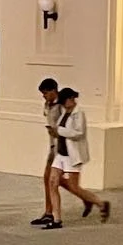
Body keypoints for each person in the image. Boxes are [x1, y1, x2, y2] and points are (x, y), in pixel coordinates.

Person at [44, 87, 109, 227]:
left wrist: (59, 130)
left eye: (67, 100)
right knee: (52, 182)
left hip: (72, 155)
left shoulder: (79, 114)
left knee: (74, 187)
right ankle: (56, 219)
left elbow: (78, 133)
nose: (66, 103)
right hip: (61, 154)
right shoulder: (64, 113)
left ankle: (99, 203)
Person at [30, 77, 62, 228]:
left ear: (53, 91)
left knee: (60, 183)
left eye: (45, 93)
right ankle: (49, 212)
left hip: (61, 148)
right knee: (48, 179)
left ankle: (55, 215)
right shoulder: (48, 105)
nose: (44, 96)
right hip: (53, 147)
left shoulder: (61, 106)